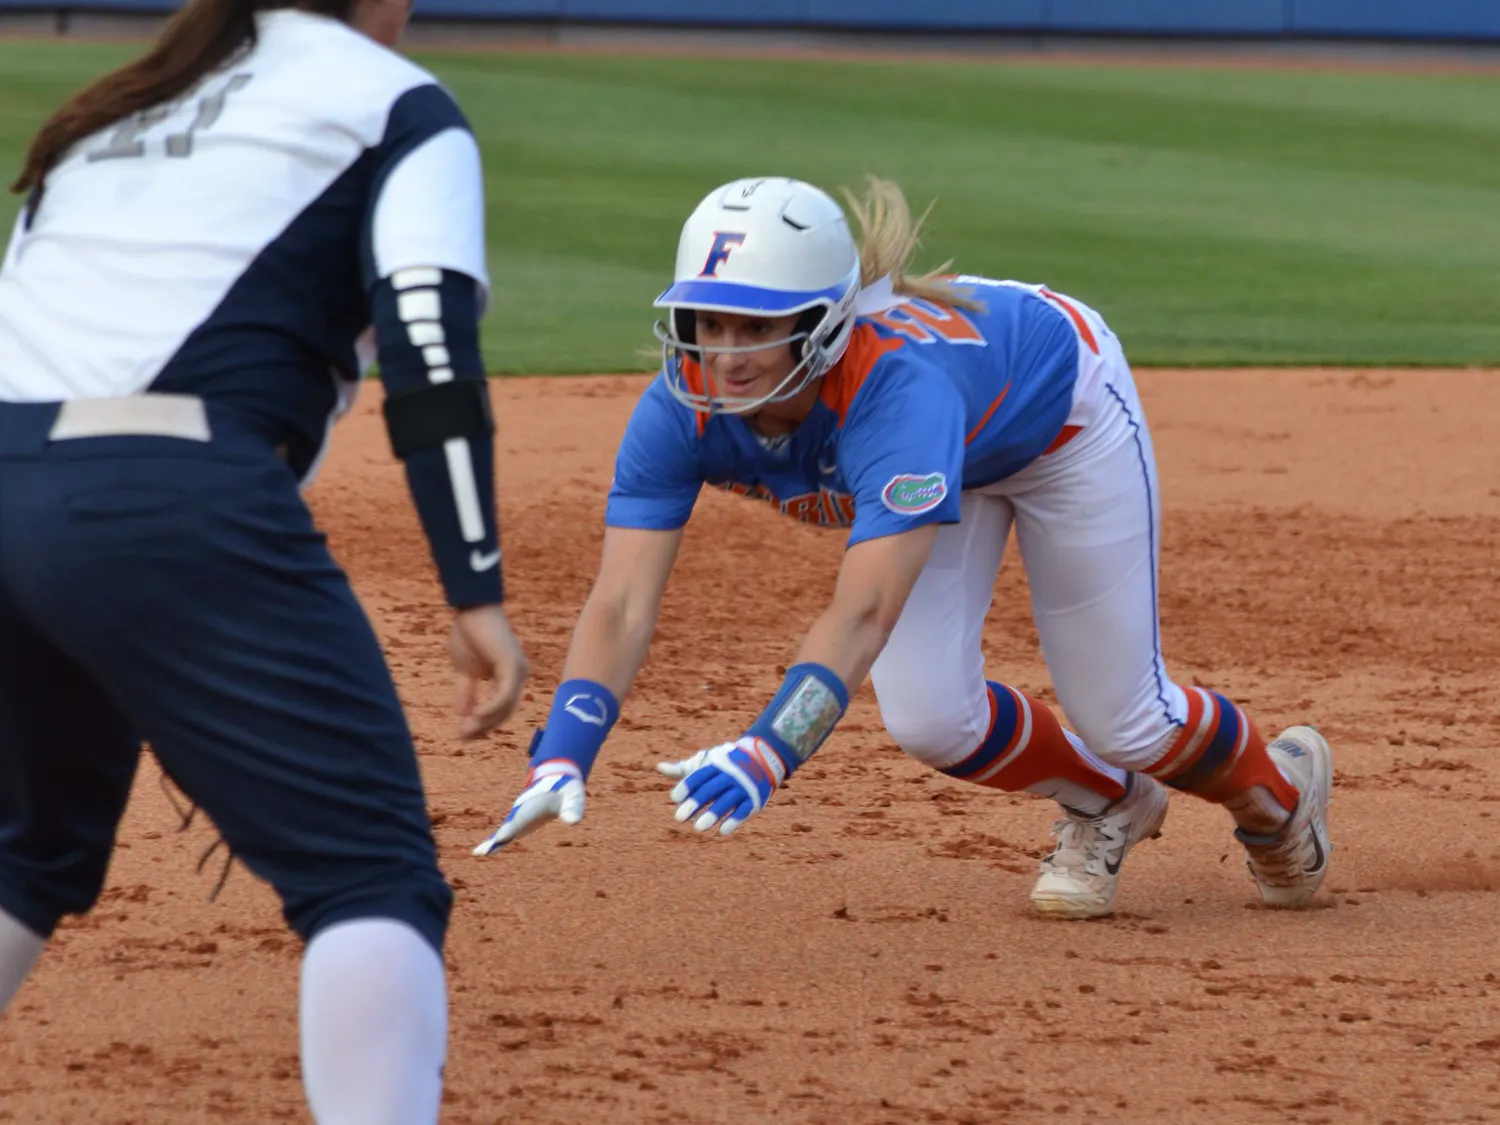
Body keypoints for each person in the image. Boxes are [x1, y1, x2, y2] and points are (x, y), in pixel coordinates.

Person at [475, 174, 1331, 920]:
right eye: (708, 320)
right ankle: (1111, 801)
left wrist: (769, 747)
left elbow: (866, 608)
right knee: (930, 718)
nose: (724, 355)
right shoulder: (681, 405)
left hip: (1059, 422)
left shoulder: (896, 392)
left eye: (757, 326)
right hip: (938, 457)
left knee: (1124, 714)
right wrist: (560, 752)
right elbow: (621, 602)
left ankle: (1279, 795)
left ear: (823, 323)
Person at [0, 2, 527, 1121]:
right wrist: (472, 582)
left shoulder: (118, 105)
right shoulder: (399, 106)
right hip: (162, 493)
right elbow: (430, 349)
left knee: (25, 856)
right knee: (370, 876)